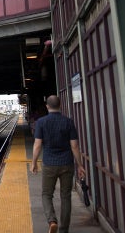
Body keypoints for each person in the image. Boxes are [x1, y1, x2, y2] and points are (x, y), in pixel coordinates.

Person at [31, 95, 85, 233]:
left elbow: (37, 145)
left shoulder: (41, 122)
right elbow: (75, 146)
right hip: (67, 163)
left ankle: (52, 221)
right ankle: (64, 229)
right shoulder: (68, 122)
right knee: (65, 196)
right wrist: (80, 165)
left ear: (47, 106)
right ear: (60, 105)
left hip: (49, 164)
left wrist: (34, 162)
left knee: (46, 194)